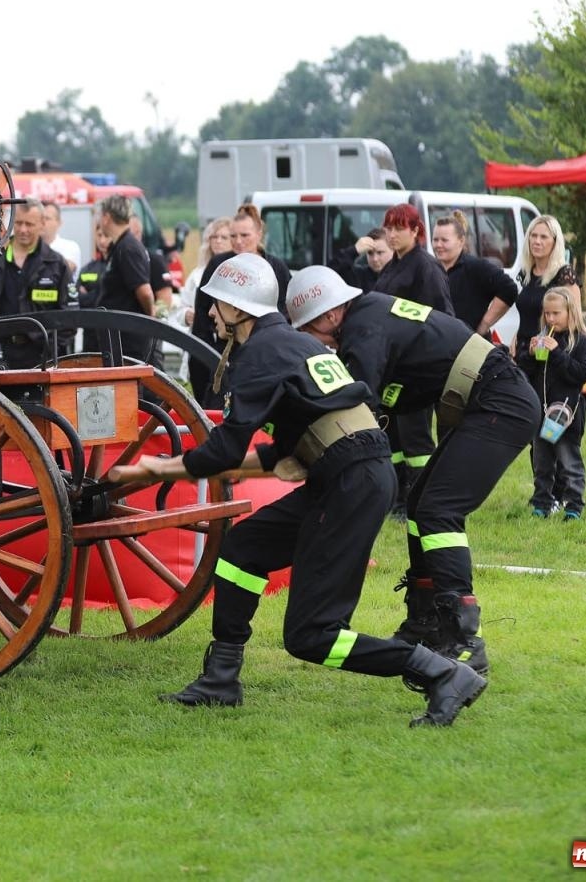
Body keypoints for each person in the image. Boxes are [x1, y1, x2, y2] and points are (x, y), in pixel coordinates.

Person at [108, 254, 486, 727]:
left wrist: (158, 470)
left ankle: (440, 673)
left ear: (240, 309)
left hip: (352, 480)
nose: (209, 313)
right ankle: (221, 677)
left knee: (311, 635)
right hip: (350, 471)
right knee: (244, 547)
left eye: (217, 303)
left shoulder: (261, 352)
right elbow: (280, 452)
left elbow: (224, 446)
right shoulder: (285, 344)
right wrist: (211, 470)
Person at [283, 266, 541, 677]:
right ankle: (425, 623)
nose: (312, 344)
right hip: (492, 397)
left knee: (438, 509)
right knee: (421, 504)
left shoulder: (362, 329)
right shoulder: (368, 316)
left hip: (500, 401)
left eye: (308, 332)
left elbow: (358, 401)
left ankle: (463, 635)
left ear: (330, 316)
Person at [372, 203, 455, 515]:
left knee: (415, 440)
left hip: (416, 369)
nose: (392, 235)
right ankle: (396, 498)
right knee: (391, 437)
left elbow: (443, 318)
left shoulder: (426, 268)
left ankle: (419, 499)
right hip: (390, 367)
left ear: (416, 230)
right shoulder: (393, 265)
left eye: (399, 228)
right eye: (389, 228)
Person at [187, 204, 292, 396]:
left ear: (259, 233)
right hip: (224, 352)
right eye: (233, 236)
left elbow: (286, 313)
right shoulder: (220, 265)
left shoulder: (276, 267)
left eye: (245, 236)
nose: (238, 242)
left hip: (265, 353)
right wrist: (203, 357)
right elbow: (202, 315)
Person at [516, 288, 586, 519]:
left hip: (566, 415)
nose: (550, 318)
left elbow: (580, 374)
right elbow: (525, 373)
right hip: (541, 413)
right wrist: (529, 355)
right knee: (542, 463)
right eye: (547, 313)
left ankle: (574, 506)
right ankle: (541, 502)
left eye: (556, 313)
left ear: (571, 312)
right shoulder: (542, 337)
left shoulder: (582, 342)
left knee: (569, 463)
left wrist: (558, 352)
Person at [0, 198, 75, 368]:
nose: (23, 230)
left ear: (42, 224)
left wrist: (51, 348)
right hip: (0, 356)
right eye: (19, 223)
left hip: (43, 358)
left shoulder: (57, 264)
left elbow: (71, 316)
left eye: (29, 224)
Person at [433, 211, 518, 339]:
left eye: (444, 240)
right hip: (442, 347)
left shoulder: (475, 267)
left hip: (471, 347)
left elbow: (509, 288)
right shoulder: (431, 269)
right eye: (435, 240)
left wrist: (484, 325)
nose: (438, 245)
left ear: (461, 241)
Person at [97, 195, 159, 365]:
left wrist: (150, 316)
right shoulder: (120, 246)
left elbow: (145, 291)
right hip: (120, 337)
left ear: (106, 217)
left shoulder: (128, 248)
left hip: (129, 341)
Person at [514, 214, 578, 355]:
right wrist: (515, 337)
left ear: (555, 242)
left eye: (543, 237)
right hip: (523, 351)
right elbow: (527, 314)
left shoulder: (564, 275)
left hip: (548, 353)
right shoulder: (527, 273)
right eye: (533, 235)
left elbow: (575, 322)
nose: (537, 241)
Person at [76, 224, 111, 312]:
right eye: (99, 235)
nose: (102, 240)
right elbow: (78, 298)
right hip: (91, 321)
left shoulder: (119, 265)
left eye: (106, 235)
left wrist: (91, 294)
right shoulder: (88, 268)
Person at [40, 201, 81, 273]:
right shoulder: (29, 247)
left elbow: (64, 270)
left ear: (59, 222)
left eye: (47, 218)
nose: (43, 222)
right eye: (40, 218)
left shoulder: (70, 247)